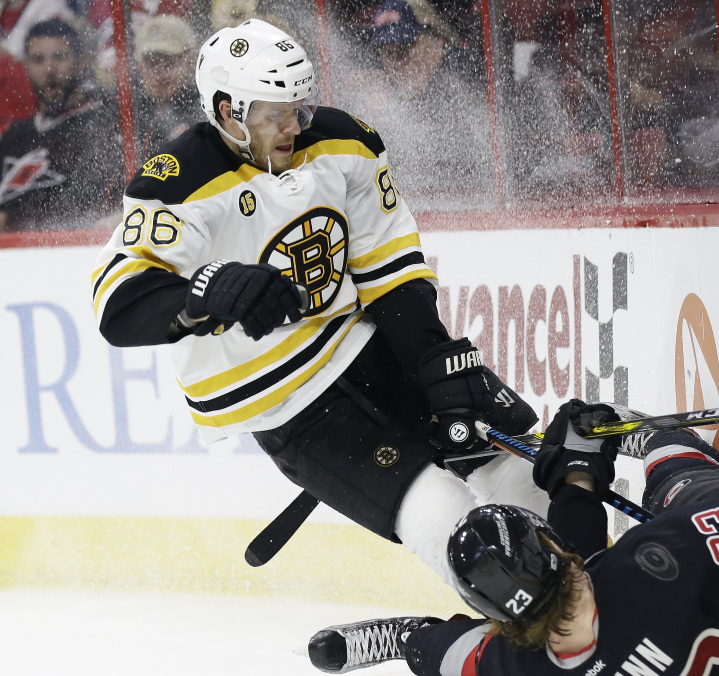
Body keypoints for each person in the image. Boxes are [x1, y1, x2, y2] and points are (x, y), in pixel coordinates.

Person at [91, 18, 548, 586]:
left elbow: (389, 268)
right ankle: (540, 643)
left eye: (299, 106)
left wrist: (432, 359)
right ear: (229, 111)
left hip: (364, 348)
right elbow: (119, 307)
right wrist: (205, 292)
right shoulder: (181, 180)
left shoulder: (341, 144)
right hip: (283, 403)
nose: (294, 125)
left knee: (526, 472)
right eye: (273, 113)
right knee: (446, 516)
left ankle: (613, 589)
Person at [308, 374, 719, 676]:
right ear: (552, 548)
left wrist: (404, 639)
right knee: (681, 492)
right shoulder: (653, 563)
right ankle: (654, 439)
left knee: (569, 595)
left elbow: (452, 653)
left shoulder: (532, 673)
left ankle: (585, 464)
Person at [341, 0, 492, 210]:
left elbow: (491, 174)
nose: (397, 62)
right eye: (387, 52)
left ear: (437, 42)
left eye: (404, 49)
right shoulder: (376, 106)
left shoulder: (476, 86)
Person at [0, 18, 122, 231]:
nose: (49, 69)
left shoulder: (104, 122)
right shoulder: (15, 135)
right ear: (26, 66)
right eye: (38, 59)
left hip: (78, 253)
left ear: (82, 61)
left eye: (60, 57)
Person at [132, 15, 202, 160]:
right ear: (139, 65)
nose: (158, 75)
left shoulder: (206, 111)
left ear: (191, 60)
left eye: (168, 63)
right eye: (150, 63)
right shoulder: (129, 111)